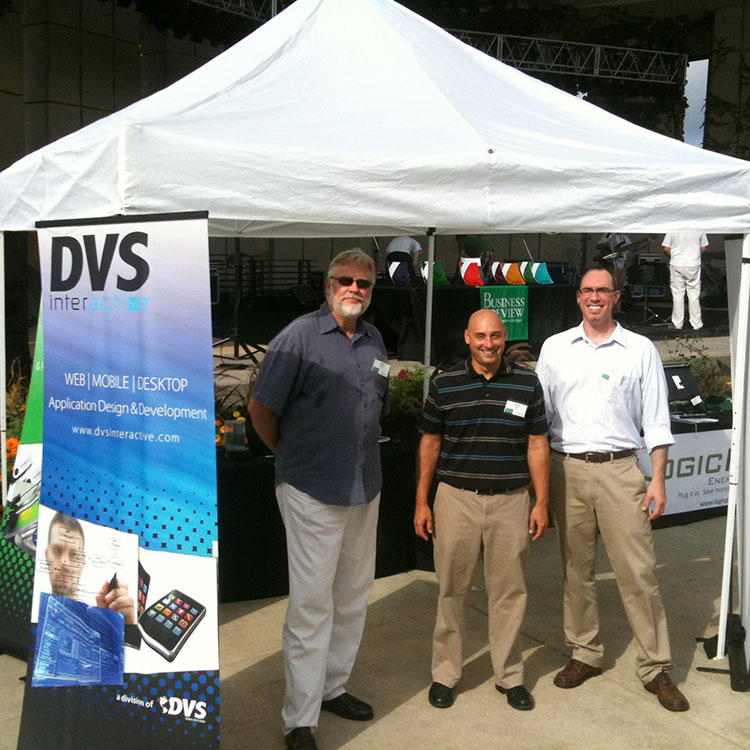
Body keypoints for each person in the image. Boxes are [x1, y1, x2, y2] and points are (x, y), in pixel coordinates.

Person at [249, 248, 389, 750]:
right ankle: (299, 720)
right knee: (312, 605)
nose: (355, 289)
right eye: (345, 280)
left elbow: (377, 408)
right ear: (328, 284)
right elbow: (261, 407)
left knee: (352, 596)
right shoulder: (298, 337)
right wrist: (290, 457)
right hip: (312, 488)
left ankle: (333, 687)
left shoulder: (375, 341)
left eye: (364, 284)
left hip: (363, 486)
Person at [535, 267, 689, 712]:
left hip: (622, 472)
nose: (595, 297)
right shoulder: (555, 348)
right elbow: (539, 422)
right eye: (588, 291)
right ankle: (584, 652)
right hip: (568, 470)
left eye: (603, 290)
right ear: (578, 298)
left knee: (639, 572)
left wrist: (657, 478)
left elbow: (657, 421)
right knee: (575, 571)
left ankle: (656, 666)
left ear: (616, 297)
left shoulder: (639, 350)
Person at [414, 309, 549, 712]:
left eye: (495, 336)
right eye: (480, 336)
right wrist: (422, 501)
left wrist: (541, 501)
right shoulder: (445, 383)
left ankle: (510, 676)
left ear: (504, 337)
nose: (488, 344)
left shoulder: (527, 382)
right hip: (456, 498)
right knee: (452, 590)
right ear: (467, 338)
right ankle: (445, 674)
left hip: (511, 501)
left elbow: (537, 444)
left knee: (509, 592)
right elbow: (430, 444)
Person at [44, 511, 136, 624]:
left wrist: (124, 627)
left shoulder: (101, 618)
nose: (65, 562)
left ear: (82, 562)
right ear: (47, 555)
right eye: (57, 550)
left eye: (74, 554)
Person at [662, 232, 708, 330]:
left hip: (677, 263)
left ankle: (677, 323)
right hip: (693, 264)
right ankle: (697, 323)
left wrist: (674, 256)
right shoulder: (700, 227)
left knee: (677, 294)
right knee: (694, 295)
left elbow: (666, 248)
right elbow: (704, 247)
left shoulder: (672, 228)